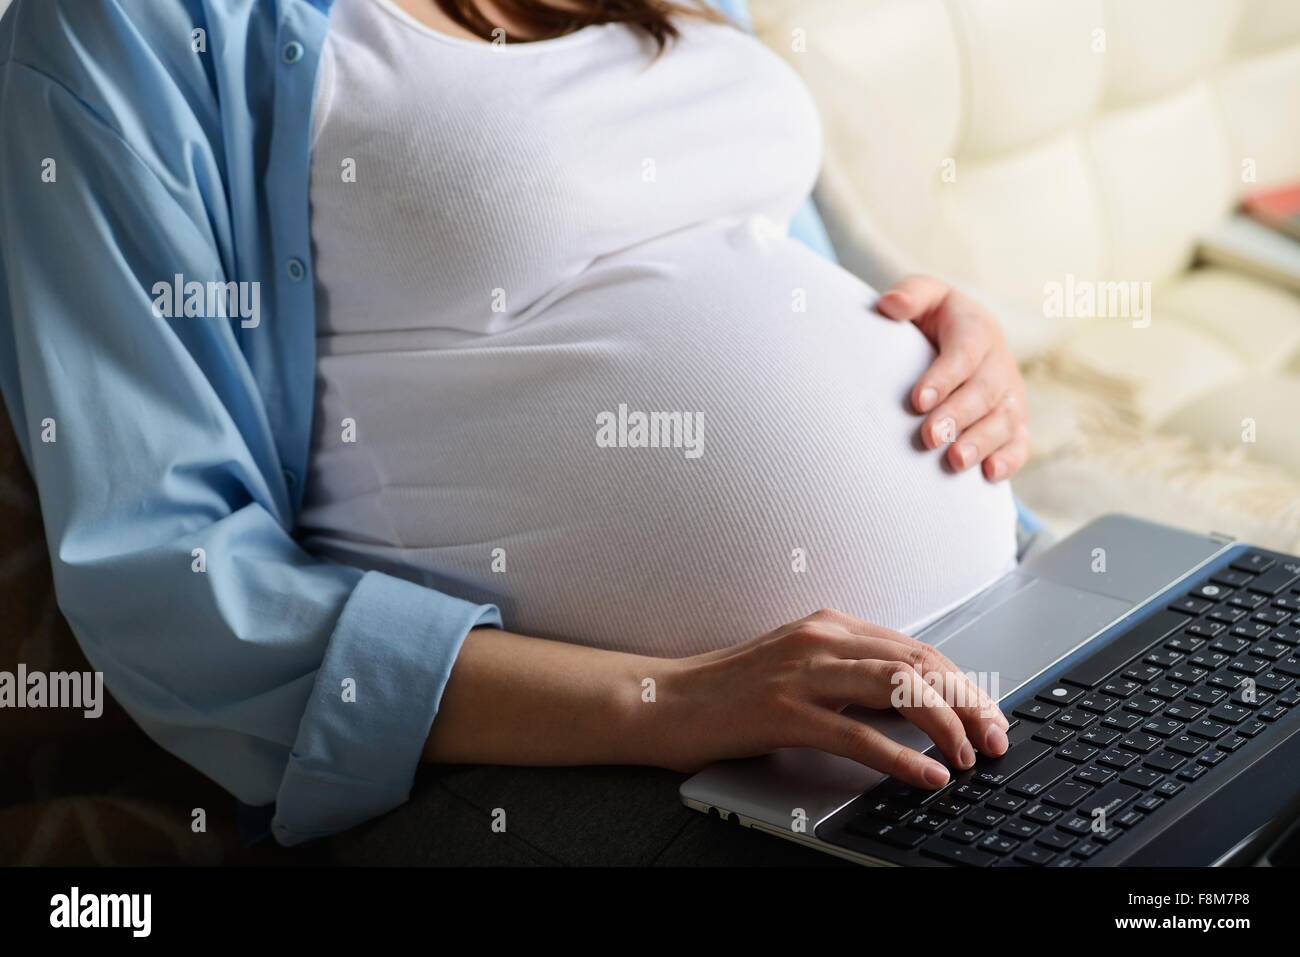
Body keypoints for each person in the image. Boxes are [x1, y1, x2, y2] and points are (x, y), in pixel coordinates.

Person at [0, 0, 1031, 858]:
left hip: (988, 638)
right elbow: (161, 569)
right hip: (588, 761)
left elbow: (740, 254)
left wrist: (934, 337)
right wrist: (663, 701)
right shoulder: (130, 27)